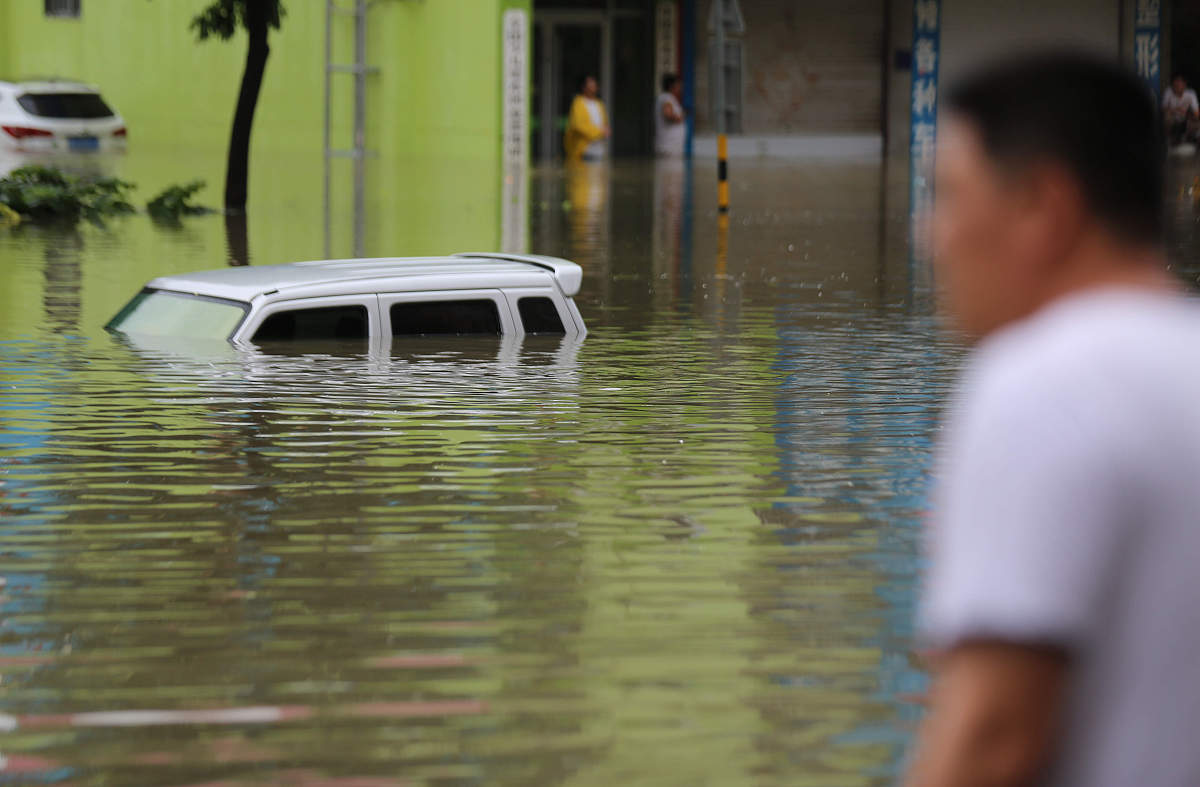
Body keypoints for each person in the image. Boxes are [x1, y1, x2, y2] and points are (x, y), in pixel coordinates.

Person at [904, 52, 1200, 787]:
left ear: (1044, 205)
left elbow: (993, 737)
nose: (929, 235)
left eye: (949, 196)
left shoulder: (1042, 385)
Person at [564, 75, 610, 162]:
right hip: (583, 151)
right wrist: (599, 132)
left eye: (594, 86)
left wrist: (606, 129)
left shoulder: (599, 104)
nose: (592, 89)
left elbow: (604, 123)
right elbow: (578, 125)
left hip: (599, 149)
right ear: (584, 88)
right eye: (590, 86)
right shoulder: (578, 103)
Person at [1162, 73, 1199, 145]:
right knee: (1167, 116)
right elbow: (1163, 109)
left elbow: (1196, 113)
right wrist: (1176, 110)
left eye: (1180, 83)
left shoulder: (1191, 94)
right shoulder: (1168, 91)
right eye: (1175, 83)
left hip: (1185, 121)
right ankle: (1167, 141)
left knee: (1196, 122)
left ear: (1184, 85)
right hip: (1172, 121)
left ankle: (1189, 141)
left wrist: (1188, 114)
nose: (1177, 85)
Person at [655, 73, 686, 157]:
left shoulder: (667, 98)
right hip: (668, 146)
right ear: (672, 85)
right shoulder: (667, 97)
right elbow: (668, 114)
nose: (681, 88)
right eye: (678, 85)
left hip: (671, 146)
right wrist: (680, 117)